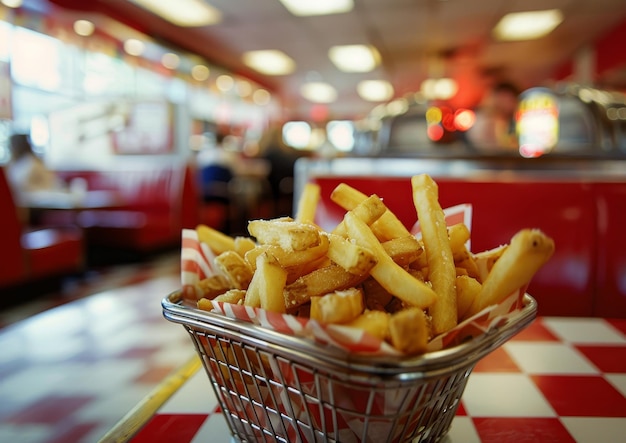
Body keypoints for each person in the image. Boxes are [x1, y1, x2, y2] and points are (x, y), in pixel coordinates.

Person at [466, 81, 521, 152]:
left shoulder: (502, 120)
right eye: (509, 99)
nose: (512, 104)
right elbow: (495, 149)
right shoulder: (488, 121)